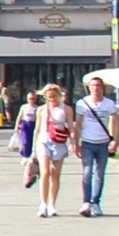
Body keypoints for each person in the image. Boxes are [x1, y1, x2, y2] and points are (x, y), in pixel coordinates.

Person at [74, 73, 119, 215]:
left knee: (99, 173)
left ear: (103, 88)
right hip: (87, 142)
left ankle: (96, 202)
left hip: (103, 143)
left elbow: (115, 122)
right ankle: (86, 202)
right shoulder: (82, 103)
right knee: (87, 172)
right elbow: (78, 124)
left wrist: (115, 141)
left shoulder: (109, 104)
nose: (96, 88)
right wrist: (76, 143)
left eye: (98, 86)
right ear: (89, 88)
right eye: (93, 86)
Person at [33, 82, 76, 216]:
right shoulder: (41, 109)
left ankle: (52, 204)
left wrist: (73, 143)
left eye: (54, 96)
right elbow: (37, 128)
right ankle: (43, 204)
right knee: (45, 172)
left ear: (59, 96)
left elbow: (71, 127)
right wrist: (33, 148)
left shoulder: (66, 109)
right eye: (48, 97)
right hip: (44, 141)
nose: (51, 99)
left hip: (58, 142)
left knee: (55, 174)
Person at [12, 91, 41, 189]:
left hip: (33, 125)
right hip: (25, 125)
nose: (31, 100)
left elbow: (39, 119)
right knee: (25, 141)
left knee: (32, 141)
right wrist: (17, 126)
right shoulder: (24, 107)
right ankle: (25, 155)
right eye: (29, 99)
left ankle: (30, 157)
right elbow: (19, 116)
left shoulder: (37, 108)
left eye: (33, 99)